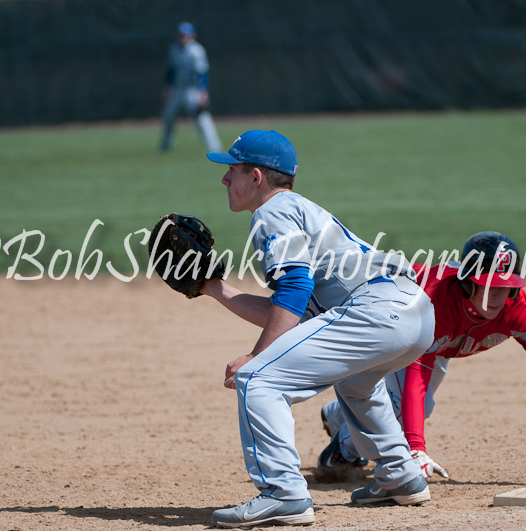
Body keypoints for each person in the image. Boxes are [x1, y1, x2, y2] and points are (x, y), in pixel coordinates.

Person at [200, 130, 436, 528]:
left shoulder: (271, 211)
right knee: (356, 384)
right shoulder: (299, 208)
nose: (225, 179)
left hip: (376, 312)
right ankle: (400, 474)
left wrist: (257, 357)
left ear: (256, 177)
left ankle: (283, 493)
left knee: (258, 380)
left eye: (232, 169)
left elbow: (294, 288)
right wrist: (214, 288)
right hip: (414, 313)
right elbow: (293, 311)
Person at [319, 231, 526, 481]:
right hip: (391, 321)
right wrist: (417, 449)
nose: (497, 295)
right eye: (487, 285)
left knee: (408, 407)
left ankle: (339, 415)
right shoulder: (435, 304)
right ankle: (342, 451)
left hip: (438, 345)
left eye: (504, 285)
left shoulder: (520, 310)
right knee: (409, 408)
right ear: (467, 284)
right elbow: (416, 376)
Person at [159, 22, 222, 153]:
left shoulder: (196, 50)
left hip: (193, 90)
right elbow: (170, 71)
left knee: (201, 117)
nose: (182, 38)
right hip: (177, 89)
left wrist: (203, 92)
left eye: (185, 35)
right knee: (168, 115)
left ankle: (214, 146)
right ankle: (165, 145)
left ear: (192, 36)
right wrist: (167, 87)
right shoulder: (174, 49)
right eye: (181, 35)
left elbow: (202, 73)